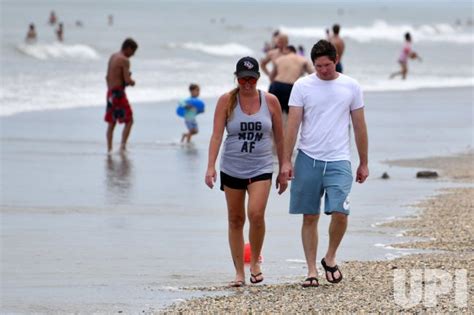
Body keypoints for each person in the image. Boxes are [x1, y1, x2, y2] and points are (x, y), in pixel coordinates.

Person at [281, 40, 369, 288]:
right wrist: (286, 161)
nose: (323, 70)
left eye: (327, 65)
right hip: (308, 158)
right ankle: (311, 270)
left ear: (336, 58)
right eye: (318, 66)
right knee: (310, 215)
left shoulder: (351, 86)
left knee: (341, 212)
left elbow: (360, 126)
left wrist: (363, 162)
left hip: (339, 158)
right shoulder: (302, 86)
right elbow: (293, 124)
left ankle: (329, 257)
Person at [205, 56, 287, 287]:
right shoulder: (226, 101)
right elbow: (216, 136)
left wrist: (284, 167)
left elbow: (280, 138)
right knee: (235, 219)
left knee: (256, 214)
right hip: (232, 167)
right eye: (243, 79)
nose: (247, 83)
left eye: (252, 78)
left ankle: (256, 262)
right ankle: (239, 272)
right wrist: (210, 166)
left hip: (261, 166)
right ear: (237, 79)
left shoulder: (270, 101)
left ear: (258, 78)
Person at [104, 38, 138, 153]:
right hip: (118, 93)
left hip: (110, 93)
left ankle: (109, 149)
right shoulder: (124, 60)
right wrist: (132, 81)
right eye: (133, 52)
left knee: (111, 123)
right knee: (129, 120)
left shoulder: (113, 56)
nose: (133, 55)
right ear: (128, 48)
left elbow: (107, 77)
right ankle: (122, 147)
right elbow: (127, 81)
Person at [268, 45, 313, 117]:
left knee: (273, 114)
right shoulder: (302, 59)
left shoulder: (280, 59)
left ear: (288, 50)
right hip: (291, 87)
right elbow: (312, 74)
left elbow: (271, 76)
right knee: (291, 115)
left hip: (276, 85)